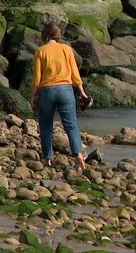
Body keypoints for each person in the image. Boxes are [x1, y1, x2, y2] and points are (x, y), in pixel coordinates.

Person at [29, 23, 89, 169]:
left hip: (47, 91)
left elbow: (37, 78)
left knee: (45, 125)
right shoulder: (67, 49)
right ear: (58, 35)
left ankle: (48, 158)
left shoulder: (40, 51)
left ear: (46, 35)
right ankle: (79, 155)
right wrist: (82, 92)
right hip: (65, 90)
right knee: (71, 125)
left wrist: (32, 96)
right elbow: (75, 73)